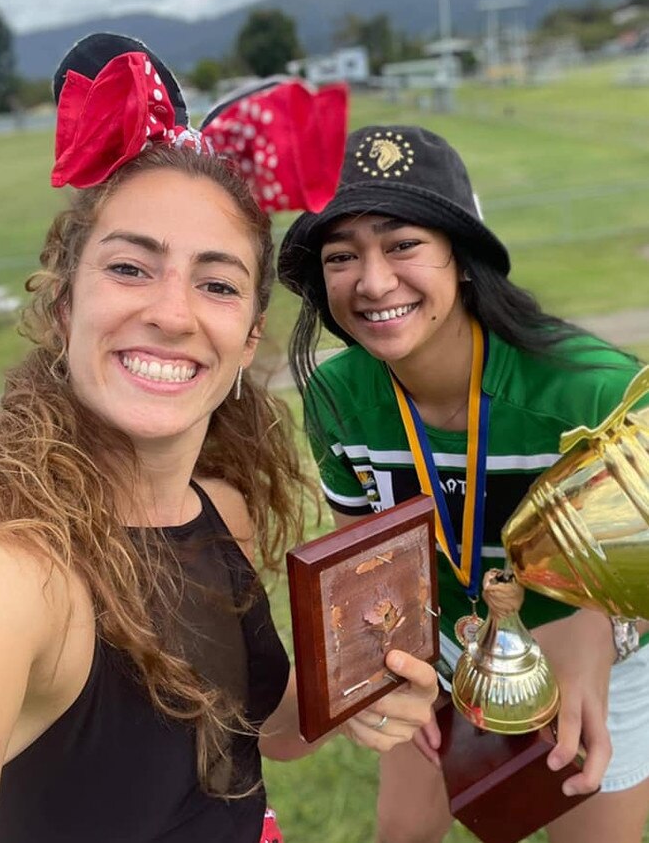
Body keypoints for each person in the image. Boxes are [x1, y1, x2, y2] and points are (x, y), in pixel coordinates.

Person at [0, 46, 440, 842]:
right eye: (131, 267)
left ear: (245, 342)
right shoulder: (22, 575)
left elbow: (257, 735)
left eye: (216, 282)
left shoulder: (220, 509)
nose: (173, 313)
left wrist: (361, 687)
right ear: (66, 309)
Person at [278, 124, 649, 843]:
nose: (374, 281)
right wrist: (374, 674)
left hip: (599, 651)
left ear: (464, 256)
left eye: (403, 243)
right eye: (341, 256)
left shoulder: (592, 392)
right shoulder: (337, 398)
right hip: (439, 649)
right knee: (402, 832)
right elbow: (366, 560)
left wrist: (596, 627)